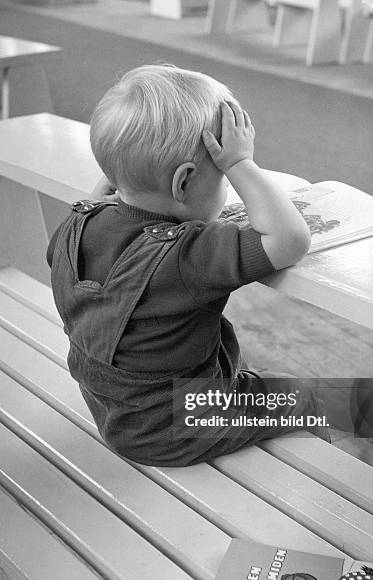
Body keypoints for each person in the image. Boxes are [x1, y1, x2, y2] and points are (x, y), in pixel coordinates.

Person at [46, 64, 330, 467]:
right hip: (181, 423)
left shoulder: (75, 226)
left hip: (119, 414)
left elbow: (103, 206)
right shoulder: (185, 256)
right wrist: (241, 162)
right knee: (322, 397)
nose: (229, 186)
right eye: (224, 178)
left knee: (255, 378)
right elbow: (289, 240)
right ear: (184, 183)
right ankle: (321, 500)